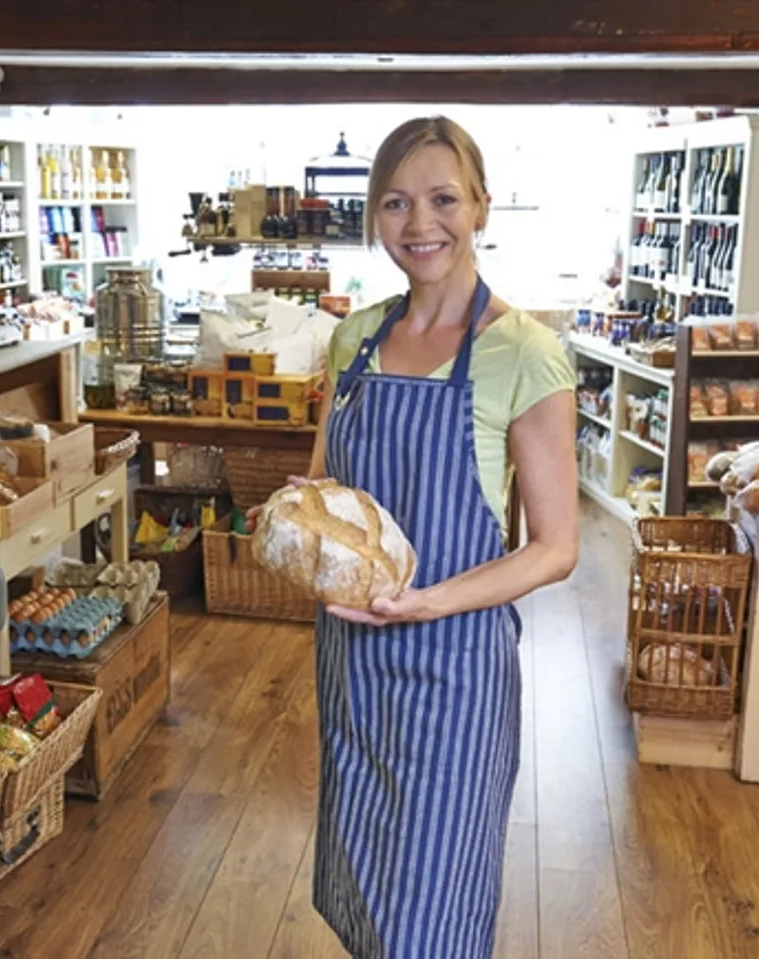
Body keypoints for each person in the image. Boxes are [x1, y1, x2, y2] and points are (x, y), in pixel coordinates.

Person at [303, 116, 579, 958]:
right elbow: (323, 487)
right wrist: (298, 511)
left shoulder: (526, 354)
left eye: (442, 199)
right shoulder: (356, 339)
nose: (419, 224)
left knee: (435, 901)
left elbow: (556, 545)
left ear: (483, 207)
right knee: (365, 878)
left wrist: (428, 600)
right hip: (353, 658)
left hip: (455, 665)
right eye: (395, 203)